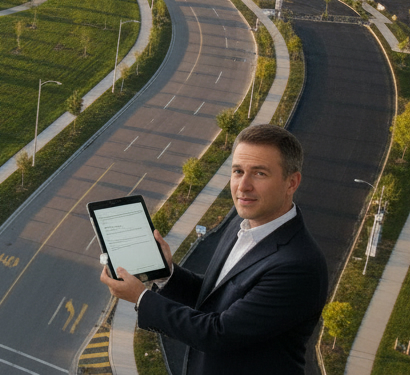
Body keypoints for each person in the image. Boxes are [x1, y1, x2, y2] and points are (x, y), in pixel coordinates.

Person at [99, 124, 328, 375]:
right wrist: (167, 274)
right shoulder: (240, 225)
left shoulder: (298, 266)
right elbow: (217, 299)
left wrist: (141, 298)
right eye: (238, 171)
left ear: (291, 182)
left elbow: (218, 333)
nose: (243, 186)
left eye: (259, 174)